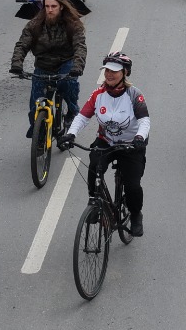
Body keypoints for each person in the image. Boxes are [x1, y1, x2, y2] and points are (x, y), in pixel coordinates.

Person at [58, 53, 151, 236]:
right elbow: (83, 117)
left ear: (125, 73)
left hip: (131, 145)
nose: (109, 74)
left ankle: (135, 214)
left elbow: (144, 120)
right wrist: (70, 134)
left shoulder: (134, 95)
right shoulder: (98, 94)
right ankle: (94, 202)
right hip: (106, 141)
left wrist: (140, 138)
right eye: (107, 70)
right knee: (94, 167)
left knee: (133, 185)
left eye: (114, 71)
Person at [10, 0, 88, 127]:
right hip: (42, 65)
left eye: (53, 6)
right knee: (35, 106)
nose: (50, 10)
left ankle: (72, 112)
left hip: (65, 62)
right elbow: (22, 45)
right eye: (47, 6)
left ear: (61, 7)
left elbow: (80, 47)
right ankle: (38, 132)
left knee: (68, 86)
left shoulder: (73, 25)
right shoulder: (34, 25)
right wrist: (17, 64)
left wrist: (77, 67)